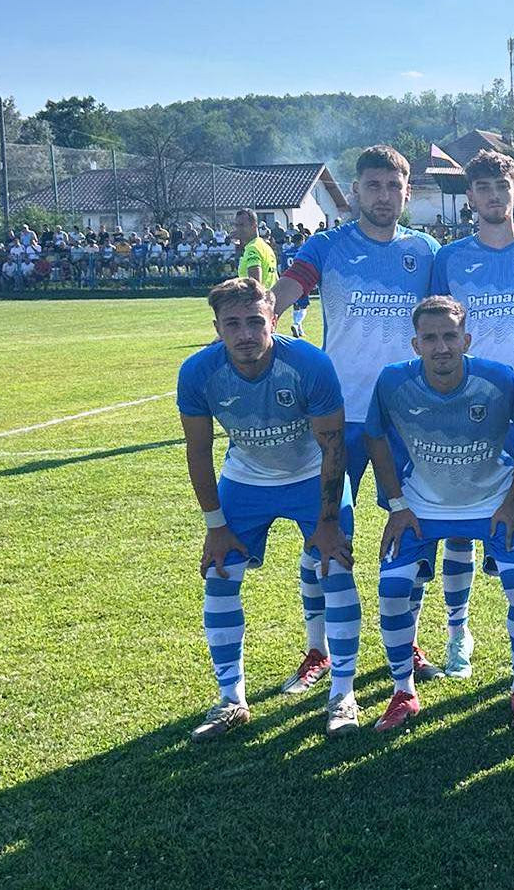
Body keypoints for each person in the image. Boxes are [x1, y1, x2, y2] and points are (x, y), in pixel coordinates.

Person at [268, 144, 445, 680]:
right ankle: (318, 650)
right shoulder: (327, 246)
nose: (384, 196)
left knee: (412, 533)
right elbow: (283, 293)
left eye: (394, 186)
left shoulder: (427, 251)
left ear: (407, 193)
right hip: (338, 415)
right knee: (324, 532)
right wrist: (258, 321)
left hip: (407, 418)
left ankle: (408, 642)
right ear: (355, 191)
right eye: (373, 185)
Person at [176, 278, 361, 740]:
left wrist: (328, 522)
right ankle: (231, 699)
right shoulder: (198, 372)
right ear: (216, 328)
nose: (245, 334)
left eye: (255, 322)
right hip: (246, 479)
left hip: (311, 475)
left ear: (273, 321)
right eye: (233, 324)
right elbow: (198, 451)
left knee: (335, 567)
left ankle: (343, 693)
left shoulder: (309, 364)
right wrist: (215, 526)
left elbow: (333, 445)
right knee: (219, 575)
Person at [425, 150, 514, 679]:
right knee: (459, 527)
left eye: (501, 186)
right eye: (483, 187)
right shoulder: (449, 259)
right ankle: (458, 634)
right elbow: (436, 332)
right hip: (466, 412)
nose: (493, 196)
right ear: (470, 197)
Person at [365, 296, 514, 732]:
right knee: (392, 590)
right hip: (422, 504)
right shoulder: (393, 382)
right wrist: (396, 505)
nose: (441, 347)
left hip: (492, 502)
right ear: (416, 344)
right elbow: (375, 437)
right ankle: (403, 691)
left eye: (450, 336)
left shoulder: (498, 379)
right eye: (430, 338)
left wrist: (513, 501)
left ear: (466, 340)